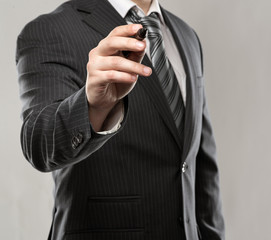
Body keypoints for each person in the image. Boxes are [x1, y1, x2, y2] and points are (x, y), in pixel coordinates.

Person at [16, 0, 225, 239]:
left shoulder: (187, 36)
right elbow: (39, 143)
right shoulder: (52, 29)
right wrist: (93, 105)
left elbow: (200, 162)